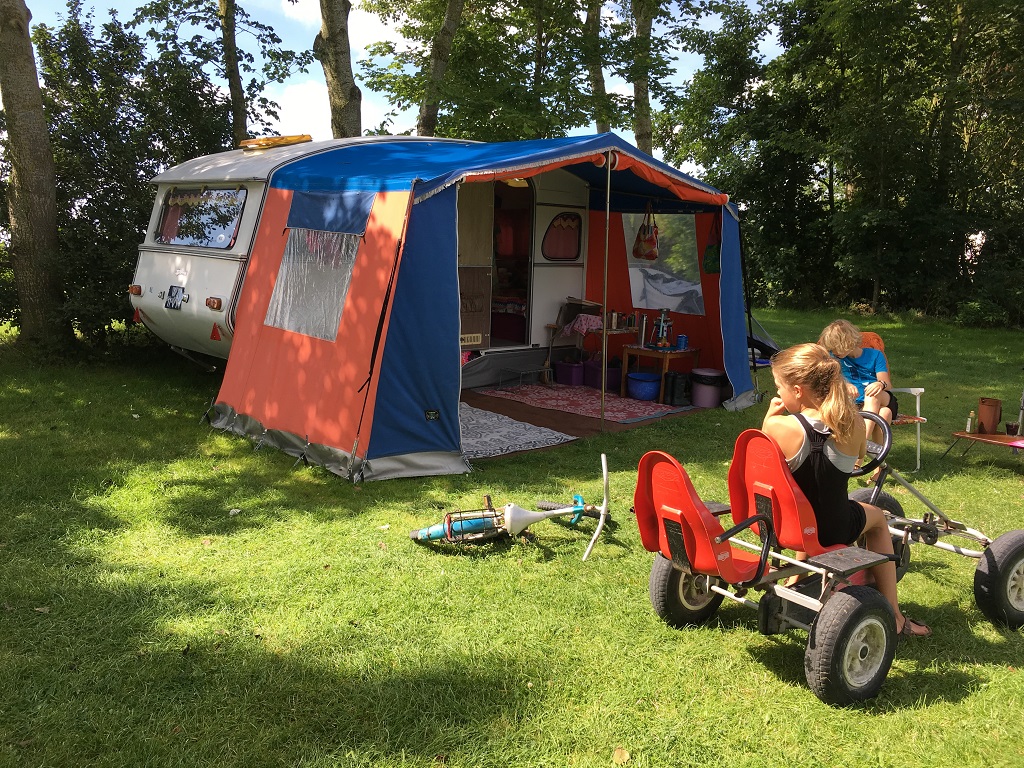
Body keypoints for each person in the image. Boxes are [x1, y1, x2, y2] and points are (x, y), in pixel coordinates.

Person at [762, 342, 930, 638]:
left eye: (779, 387)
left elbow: (762, 456)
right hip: (831, 528)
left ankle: (793, 583)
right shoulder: (852, 424)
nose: (778, 394)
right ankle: (894, 613)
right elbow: (861, 457)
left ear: (798, 390)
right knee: (877, 518)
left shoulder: (778, 427)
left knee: (804, 503)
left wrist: (769, 418)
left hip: (777, 524)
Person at [817, 319, 897, 444]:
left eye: (837, 347)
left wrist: (880, 384)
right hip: (855, 404)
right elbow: (829, 380)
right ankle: (874, 463)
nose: (835, 351)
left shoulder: (875, 355)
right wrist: (844, 384)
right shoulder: (833, 358)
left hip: (881, 398)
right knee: (884, 413)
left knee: (872, 396)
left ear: (848, 343)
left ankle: (859, 444)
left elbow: (887, 384)